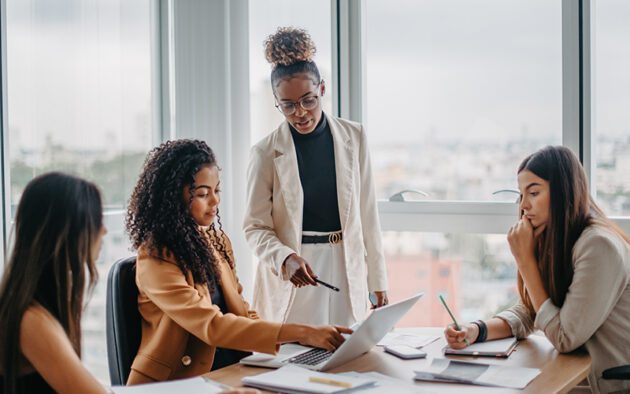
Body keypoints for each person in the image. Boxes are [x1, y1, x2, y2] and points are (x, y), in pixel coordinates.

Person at [125, 139, 351, 385]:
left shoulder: (215, 241)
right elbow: (212, 326)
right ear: (171, 198)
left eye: (216, 190)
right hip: (174, 383)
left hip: (230, 371)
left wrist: (296, 340)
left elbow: (243, 313)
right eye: (202, 193)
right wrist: (303, 331)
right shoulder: (155, 256)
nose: (214, 201)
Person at [444, 146, 630, 394]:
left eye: (533, 193)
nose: (524, 206)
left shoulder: (598, 246)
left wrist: (526, 261)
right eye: (521, 195)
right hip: (579, 374)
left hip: (611, 384)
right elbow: (533, 309)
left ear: (564, 192)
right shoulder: (562, 239)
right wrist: (477, 330)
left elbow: (564, 337)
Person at [243, 27, 388, 327]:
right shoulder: (264, 153)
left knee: (349, 354)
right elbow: (255, 228)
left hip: (347, 265)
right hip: (297, 269)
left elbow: (368, 214)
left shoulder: (355, 136)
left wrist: (378, 280)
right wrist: (284, 258)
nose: (300, 113)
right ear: (277, 103)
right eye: (288, 105)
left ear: (322, 90)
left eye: (308, 100)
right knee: (293, 359)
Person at [0, 173, 108, 394]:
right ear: (69, 234)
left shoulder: (27, 306)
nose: (104, 230)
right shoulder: (31, 320)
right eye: (96, 221)